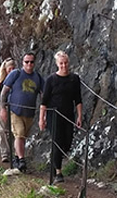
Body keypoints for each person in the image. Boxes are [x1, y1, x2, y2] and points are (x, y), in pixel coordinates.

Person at [39, 51, 83, 184]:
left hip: (68, 114)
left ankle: (54, 162)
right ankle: (58, 172)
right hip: (54, 115)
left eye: (65, 63)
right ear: (57, 64)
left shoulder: (74, 79)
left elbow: (78, 99)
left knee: (67, 142)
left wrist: (79, 116)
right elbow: (44, 101)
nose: (64, 66)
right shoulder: (51, 80)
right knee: (57, 142)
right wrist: (42, 118)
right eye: (61, 63)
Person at [0, 52, 44, 172]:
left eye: (31, 62)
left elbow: (43, 94)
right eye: (26, 62)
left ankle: (17, 159)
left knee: (23, 136)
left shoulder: (38, 77)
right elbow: (4, 91)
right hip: (15, 111)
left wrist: (44, 112)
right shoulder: (16, 74)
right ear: (22, 62)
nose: (29, 64)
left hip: (29, 112)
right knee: (19, 134)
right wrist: (3, 108)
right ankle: (22, 159)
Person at [0, 57, 17, 162]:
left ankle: (14, 153)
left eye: (13, 68)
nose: (11, 71)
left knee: (13, 129)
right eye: (9, 69)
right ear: (5, 69)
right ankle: (4, 153)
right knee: (2, 129)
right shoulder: (0, 79)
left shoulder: (16, 78)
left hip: (12, 105)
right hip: (0, 104)